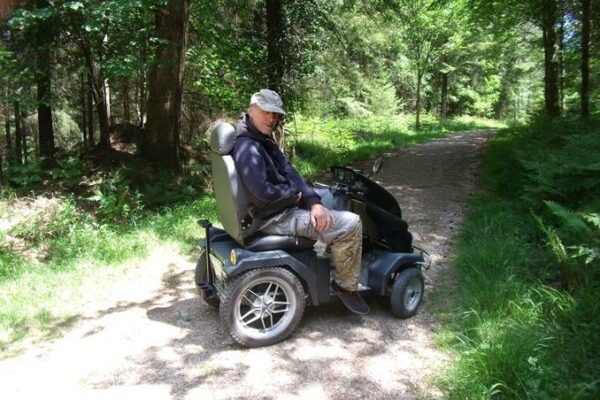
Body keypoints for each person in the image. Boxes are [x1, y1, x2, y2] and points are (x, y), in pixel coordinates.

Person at [232, 89, 369, 314]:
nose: (271, 119)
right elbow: (262, 193)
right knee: (352, 223)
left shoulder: (261, 139)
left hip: (275, 208)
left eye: (275, 115)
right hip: (272, 217)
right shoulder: (248, 147)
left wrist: (313, 202)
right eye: (266, 112)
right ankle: (346, 286)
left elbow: (289, 171)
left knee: (333, 197)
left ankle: (337, 256)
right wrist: (293, 195)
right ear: (252, 109)